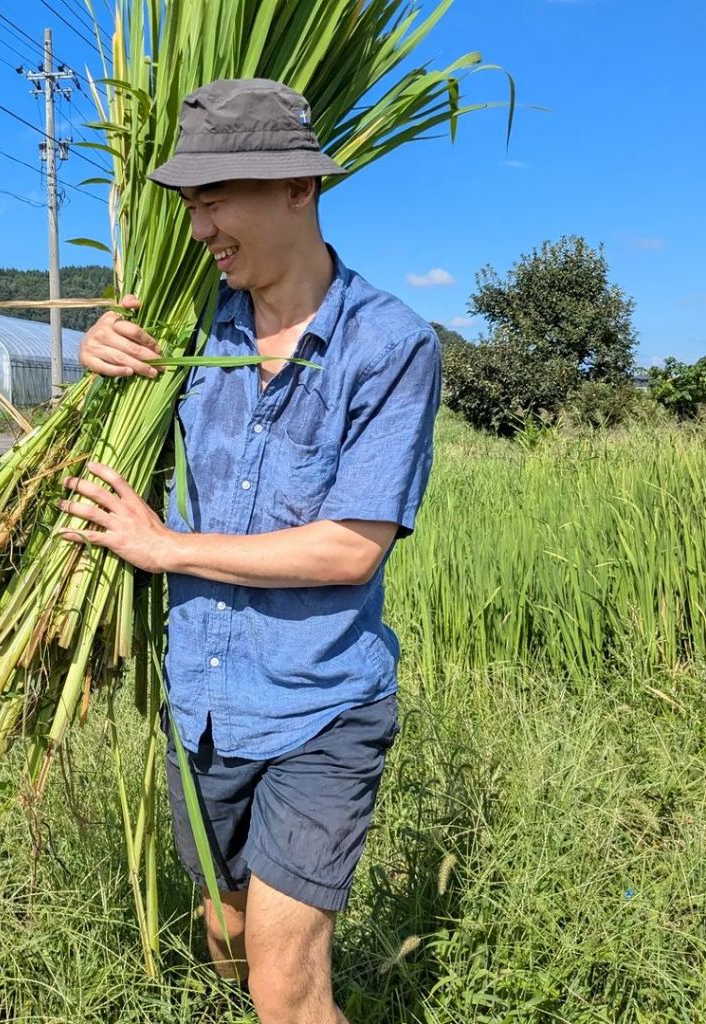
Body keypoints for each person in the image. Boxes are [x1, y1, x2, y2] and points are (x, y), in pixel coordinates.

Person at [60, 78, 440, 1024]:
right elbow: (126, 450)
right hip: (204, 707)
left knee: (285, 985)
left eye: (216, 200)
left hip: (320, 706)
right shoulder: (189, 330)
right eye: (191, 206)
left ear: (299, 189)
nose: (200, 230)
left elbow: (348, 550)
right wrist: (96, 360)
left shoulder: (389, 344)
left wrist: (163, 549)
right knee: (226, 937)